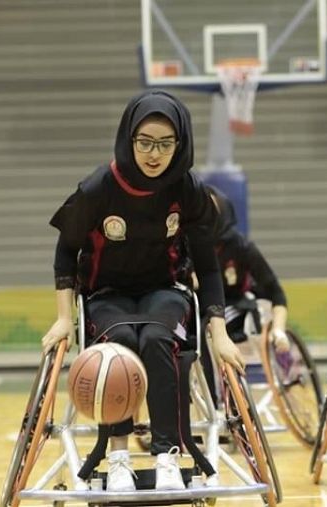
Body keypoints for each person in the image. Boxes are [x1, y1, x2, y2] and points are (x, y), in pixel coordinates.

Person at [41, 90, 244, 493]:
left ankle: (166, 455)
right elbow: (66, 251)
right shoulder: (100, 187)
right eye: (145, 142)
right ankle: (118, 456)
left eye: (165, 144)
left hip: (165, 291)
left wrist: (218, 332)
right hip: (106, 294)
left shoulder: (187, 190)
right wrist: (65, 318)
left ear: (180, 144)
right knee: (118, 344)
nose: (154, 154)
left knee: (155, 338)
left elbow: (207, 264)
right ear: (128, 139)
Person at [197, 186, 291, 404]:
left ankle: (220, 402)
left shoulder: (241, 247)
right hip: (194, 309)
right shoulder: (184, 245)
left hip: (232, 307)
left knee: (208, 331)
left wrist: (278, 330)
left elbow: (276, 293)